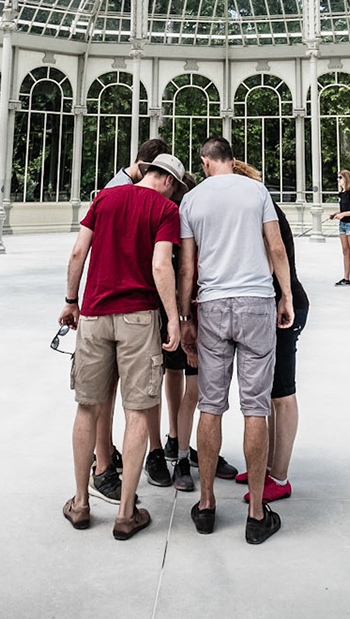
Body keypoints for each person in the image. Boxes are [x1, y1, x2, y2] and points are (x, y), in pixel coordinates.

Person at [58, 152, 187, 539]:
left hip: (94, 315)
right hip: (138, 317)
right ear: (168, 180)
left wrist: (70, 300)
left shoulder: (105, 198)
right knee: (136, 411)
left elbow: (79, 251)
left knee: (87, 408)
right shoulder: (165, 210)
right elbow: (162, 266)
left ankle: (81, 504)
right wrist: (175, 319)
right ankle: (126, 513)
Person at [179, 135, 293, 544]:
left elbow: (187, 268)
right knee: (255, 408)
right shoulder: (257, 190)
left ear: (207, 162)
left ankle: (207, 505)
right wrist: (287, 296)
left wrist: (184, 317)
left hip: (211, 304)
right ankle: (257, 513)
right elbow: (275, 247)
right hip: (256, 303)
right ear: (231, 159)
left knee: (210, 406)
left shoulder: (191, 200)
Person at [231, 162, 307, 506]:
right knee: (269, 393)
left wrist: (285, 298)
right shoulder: (258, 208)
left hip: (283, 306)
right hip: (273, 305)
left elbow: (276, 255)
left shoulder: (263, 209)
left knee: (281, 392)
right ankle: (267, 465)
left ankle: (280, 477)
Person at [327, 168, 350, 287]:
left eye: (340, 178)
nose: (338, 180)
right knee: (345, 251)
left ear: (346, 179)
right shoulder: (342, 194)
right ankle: (346, 278)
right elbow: (345, 209)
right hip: (343, 224)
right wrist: (336, 214)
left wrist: (343, 214)